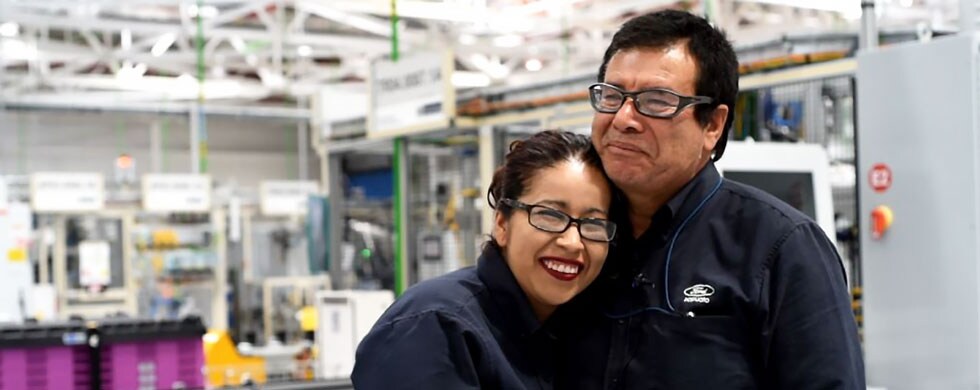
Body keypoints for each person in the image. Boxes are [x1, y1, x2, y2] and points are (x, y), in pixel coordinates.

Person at [555, 9, 865, 389]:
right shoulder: (574, 236)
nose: (623, 118)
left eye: (655, 101)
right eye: (612, 95)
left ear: (713, 125)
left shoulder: (780, 248)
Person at [352, 130, 618, 389]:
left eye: (593, 223)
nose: (572, 242)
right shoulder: (436, 326)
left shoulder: (575, 334)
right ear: (502, 224)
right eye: (549, 216)